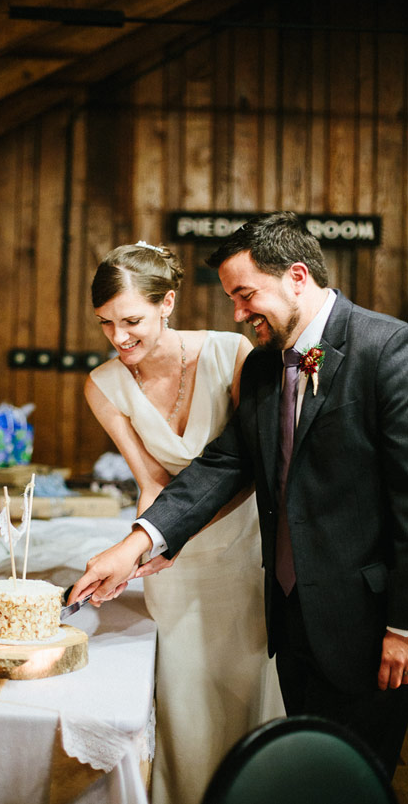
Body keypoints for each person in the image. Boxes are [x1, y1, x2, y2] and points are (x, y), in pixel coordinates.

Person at [71, 212, 408, 779]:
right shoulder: (261, 366)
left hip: (367, 623)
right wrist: (136, 544)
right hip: (288, 616)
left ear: (297, 276)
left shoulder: (388, 349)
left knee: (357, 780)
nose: (237, 313)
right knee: (302, 775)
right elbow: (225, 464)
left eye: (246, 295)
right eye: (231, 298)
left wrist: (403, 627)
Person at [84, 241, 284, 804]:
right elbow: (153, 486)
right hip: (172, 561)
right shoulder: (103, 385)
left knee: (246, 687)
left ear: (167, 302)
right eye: (106, 324)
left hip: (244, 552)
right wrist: (141, 549)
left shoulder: (232, 352)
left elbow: (247, 465)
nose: (119, 338)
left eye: (131, 320)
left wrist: (163, 536)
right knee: (186, 701)